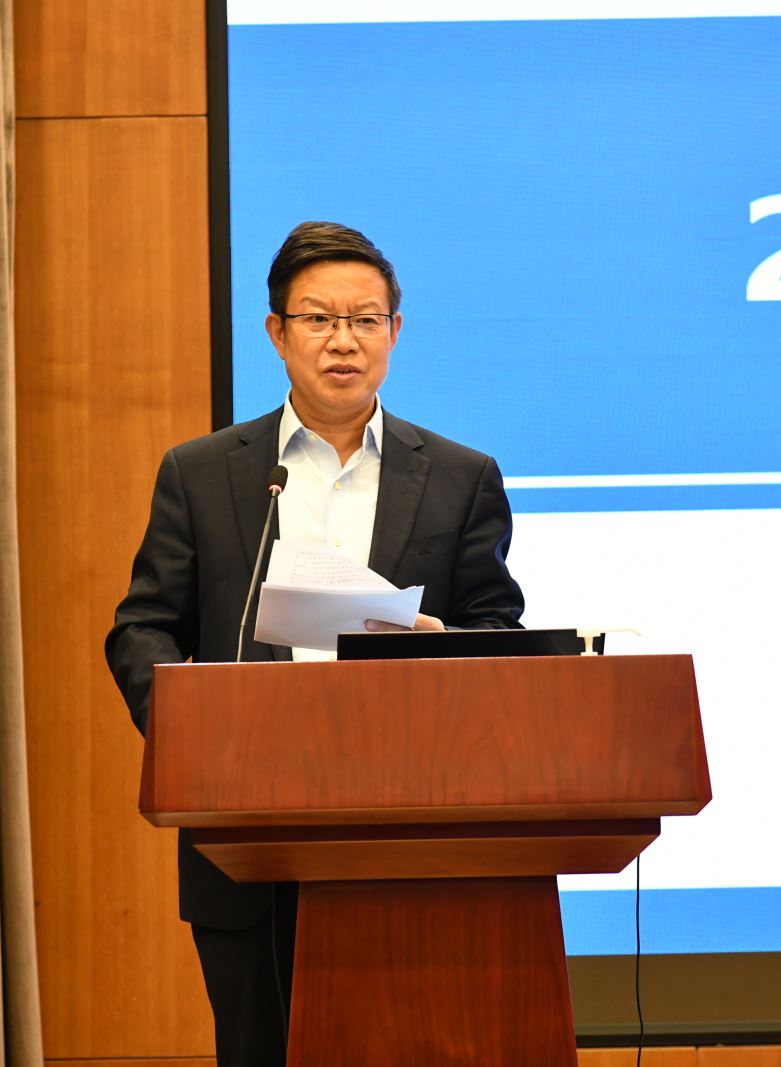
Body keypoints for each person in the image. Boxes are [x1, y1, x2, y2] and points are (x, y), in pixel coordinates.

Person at [104, 221, 526, 1066]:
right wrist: (191, 736)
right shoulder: (204, 471)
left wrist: (443, 642)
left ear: (395, 332)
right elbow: (143, 626)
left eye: (365, 319)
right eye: (319, 318)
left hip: (408, 823)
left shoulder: (459, 476)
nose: (344, 340)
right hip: (248, 823)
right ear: (277, 332)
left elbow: (500, 630)